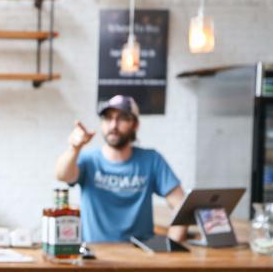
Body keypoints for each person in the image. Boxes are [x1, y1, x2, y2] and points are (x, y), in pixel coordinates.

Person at [54, 94, 187, 243]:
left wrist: (171, 249)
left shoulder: (151, 160)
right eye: (108, 118)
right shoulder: (89, 159)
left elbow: (182, 206)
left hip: (140, 258)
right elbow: (62, 175)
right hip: (95, 256)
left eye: (122, 118)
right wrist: (74, 148)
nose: (113, 125)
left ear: (135, 125)